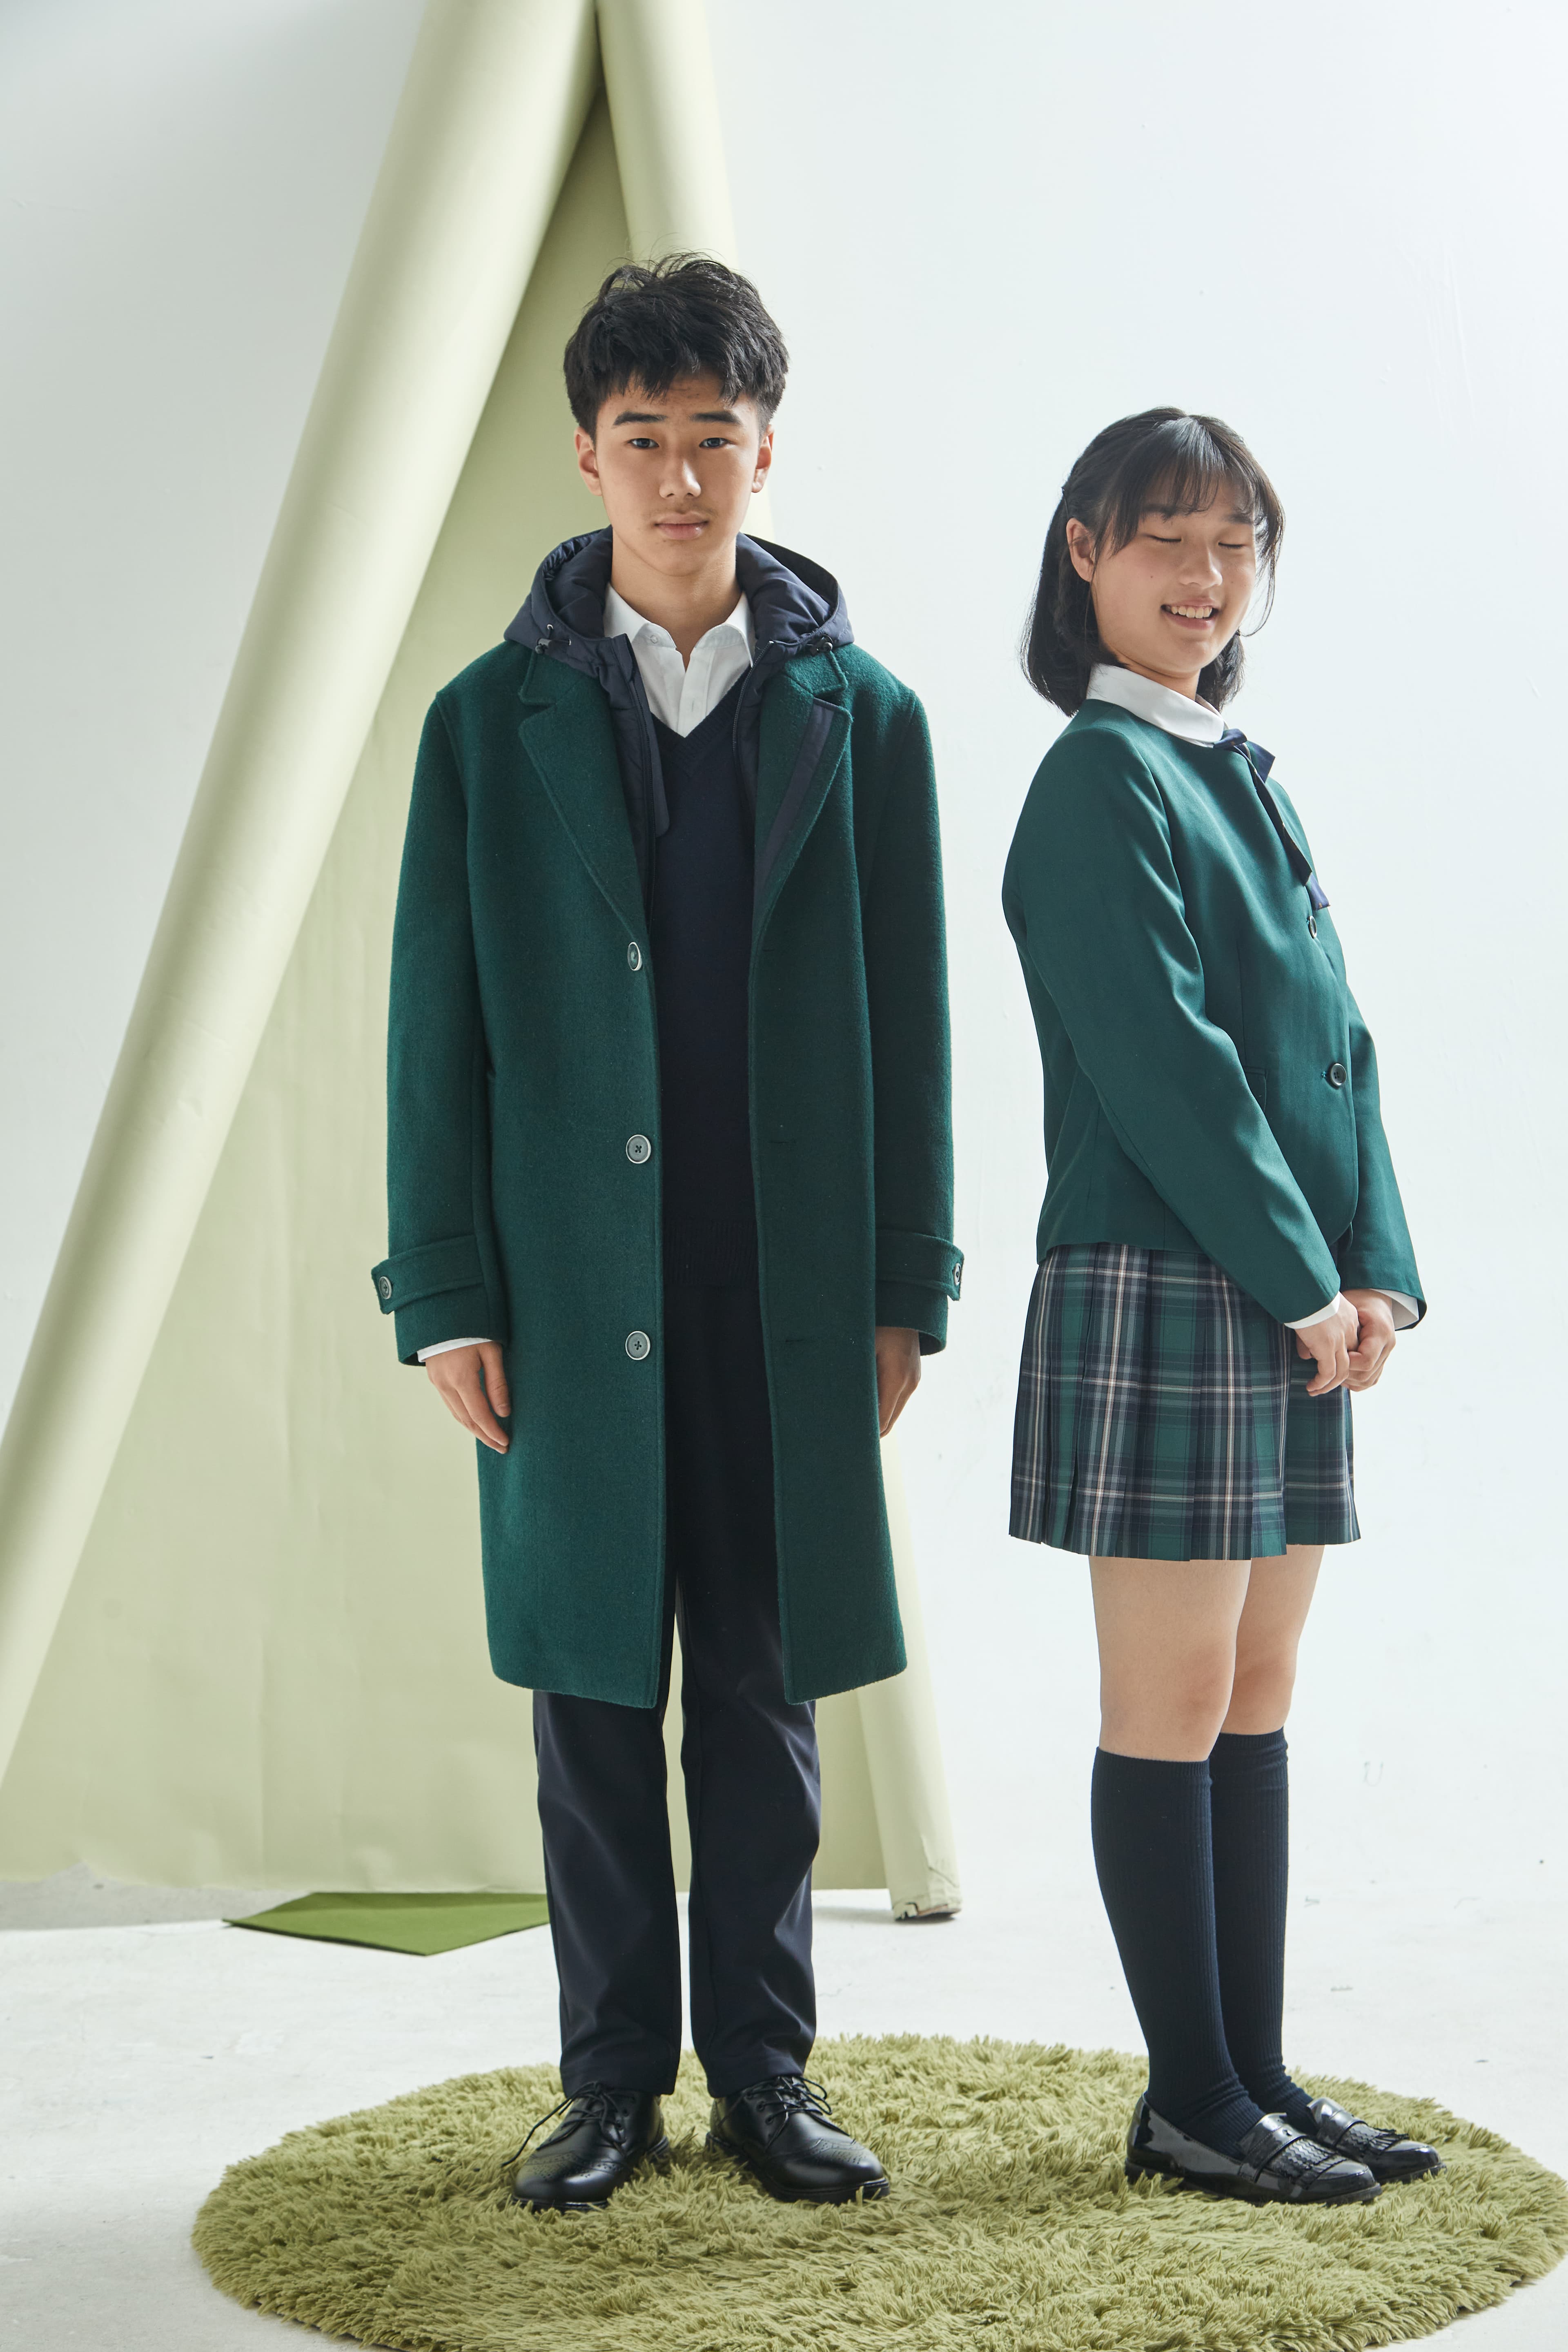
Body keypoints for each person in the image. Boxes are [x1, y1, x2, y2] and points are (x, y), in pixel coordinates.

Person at [372, 257, 961, 2213]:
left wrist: (906, 1285)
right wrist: (446, 1291)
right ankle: (610, 2082)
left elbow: (914, 1024)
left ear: (766, 452)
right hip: (568, 1291)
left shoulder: (865, 721)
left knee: (768, 1703)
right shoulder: (486, 724)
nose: (685, 478)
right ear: (588, 455)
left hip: (786, 1298)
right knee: (597, 1699)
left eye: (720, 439)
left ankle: (768, 2077)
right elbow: (429, 1028)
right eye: (648, 441)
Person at [1002, 409, 1441, 2206]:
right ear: (1084, 551)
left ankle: (1249, 2077)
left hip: (1286, 1302)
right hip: (1171, 1288)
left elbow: (1336, 1051)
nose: (1205, 579)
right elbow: (1171, 1073)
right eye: (1166, 540)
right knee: (1169, 1702)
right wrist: (1302, 1280)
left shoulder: (1235, 769)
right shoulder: (1102, 781)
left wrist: (1382, 1274)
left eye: (1237, 545)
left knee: (1253, 1695)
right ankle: (1191, 2098)